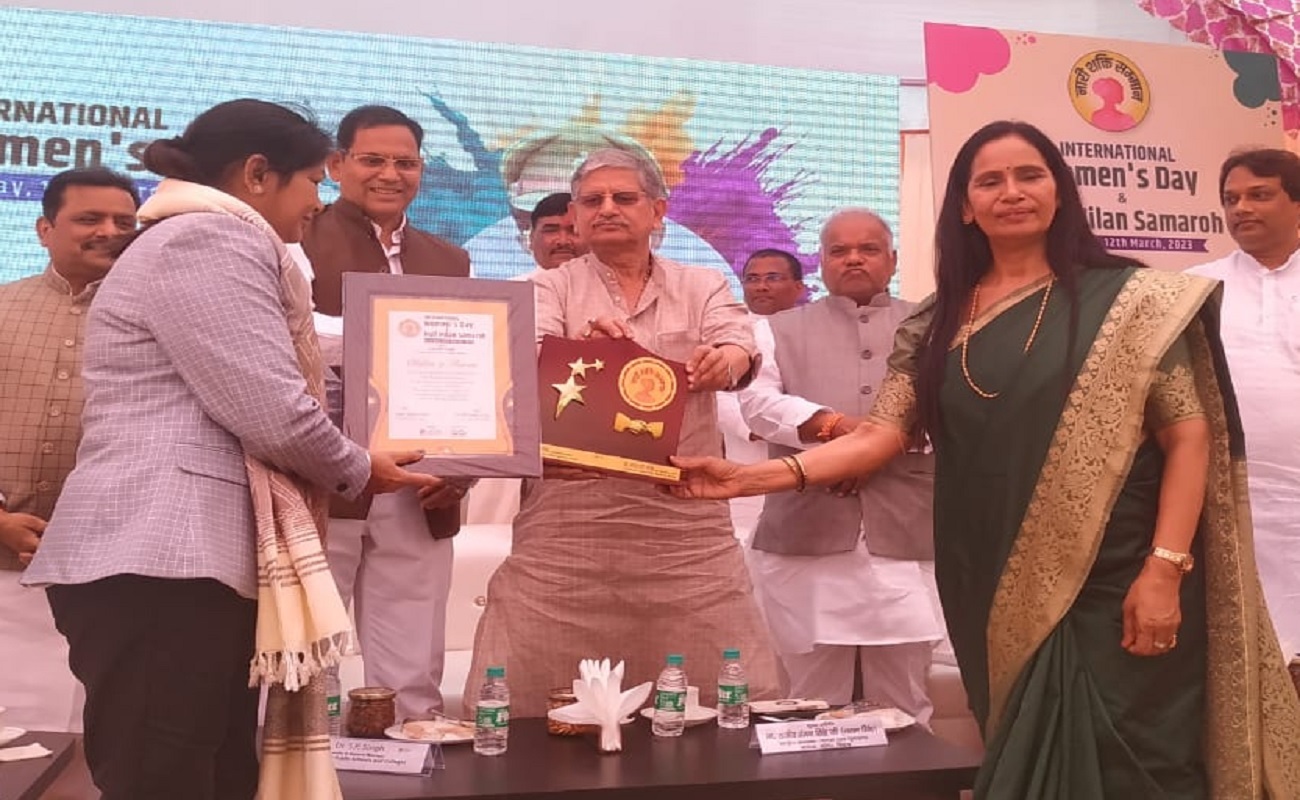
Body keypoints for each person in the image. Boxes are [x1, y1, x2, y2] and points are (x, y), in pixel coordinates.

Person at [670, 120, 1300, 797]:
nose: (1012, 191)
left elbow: (1188, 437)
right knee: (1022, 744)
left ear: (1059, 191)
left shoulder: (1134, 299)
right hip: (990, 570)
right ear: (966, 207)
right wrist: (752, 476)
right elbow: (880, 435)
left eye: (1030, 175)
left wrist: (1164, 569)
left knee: (1139, 759)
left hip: (1118, 573)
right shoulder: (939, 320)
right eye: (990, 181)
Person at [22, 99, 440, 800]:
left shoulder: (201, 237)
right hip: (159, 560)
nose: (316, 201)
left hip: (183, 567)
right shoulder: (208, 239)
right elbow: (269, 407)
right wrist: (360, 467)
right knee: (163, 777)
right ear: (256, 174)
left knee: (216, 775)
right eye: (312, 181)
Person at [464, 147, 781, 716]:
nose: (607, 208)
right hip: (570, 531)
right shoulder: (544, 287)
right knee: (529, 700)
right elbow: (528, 360)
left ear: (658, 211)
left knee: (726, 698)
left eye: (624, 198)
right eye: (593, 200)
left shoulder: (702, 283)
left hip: (684, 530)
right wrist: (582, 355)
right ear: (576, 217)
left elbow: (739, 342)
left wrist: (725, 361)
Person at [295, 104, 471, 720]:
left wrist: (463, 466)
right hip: (324, 477)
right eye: (372, 160)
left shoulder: (450, 260)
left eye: (406, 163)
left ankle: (411, 749)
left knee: (414, 658)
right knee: (306, 649)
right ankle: (301, 760)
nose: (390, 174)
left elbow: (467, 372)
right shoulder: (295, 243)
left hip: (423, 481)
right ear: (336, 164)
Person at [736, 209, 942, 719]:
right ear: (822, 263)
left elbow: (958, 406)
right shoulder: (773, 330)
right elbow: (758, 404)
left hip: (907, 531)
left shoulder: (936, 324)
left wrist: (880, 448)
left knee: (903, 698)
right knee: (808, 700)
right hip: (807, 532)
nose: (853, 259)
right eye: (839, 250)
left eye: (868, 249)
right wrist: (840, 433)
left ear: (892, 260)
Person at [0, 168, 138, 733]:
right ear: (43, 230)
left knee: (104, 736)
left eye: (124, 222)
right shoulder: (3, 307)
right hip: (7, 562)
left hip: (115, 567)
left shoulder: (153, 320)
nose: (109, 231)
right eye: (89, 219)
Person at [1188, 148, 1300, 661]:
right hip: (1231, 502)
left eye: (1259, 195)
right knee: (1249, 652)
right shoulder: (1196, 288)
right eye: (1231, 199)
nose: (1241, 209)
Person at [718, 248, 806, 540]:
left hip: (812, 464)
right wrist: (758, 427)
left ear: (798, 287)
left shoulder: (816, 332)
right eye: (752, 279)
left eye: (773, 278)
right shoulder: (729, 334)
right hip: (749, 462)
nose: (761, 286)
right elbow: (718, 397)